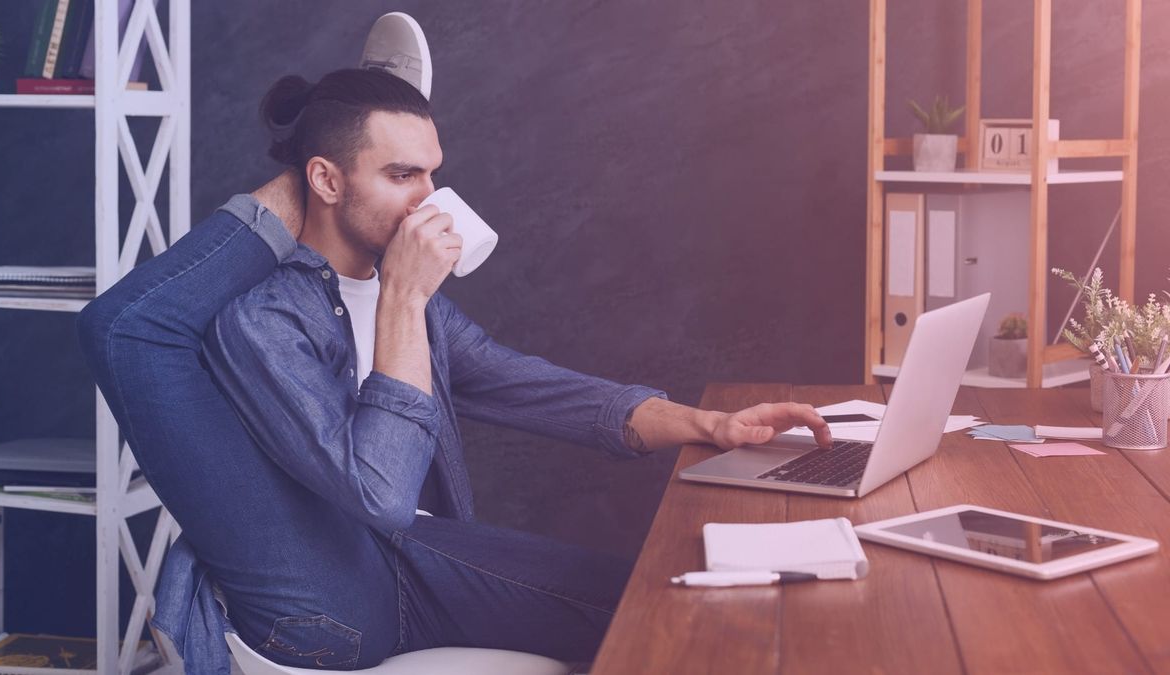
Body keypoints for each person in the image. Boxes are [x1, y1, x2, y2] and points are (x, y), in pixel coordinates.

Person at [78, 22, 831, 675]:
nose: (429, 199)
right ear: (325, 181)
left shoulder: (417, 307)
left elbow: (534, 386)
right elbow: (379, 491)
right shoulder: (267, 319)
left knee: (649, 591)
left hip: (405, 561)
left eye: (433, 173)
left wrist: (705, 425)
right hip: (331, 607)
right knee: (635, 606)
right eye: (402, 174)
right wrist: (402, 295)